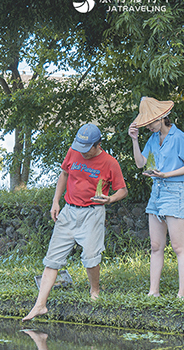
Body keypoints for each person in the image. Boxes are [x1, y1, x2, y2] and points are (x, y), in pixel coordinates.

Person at [23, 123, 128, 321]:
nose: (82, 152)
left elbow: (122, 190)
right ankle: (40, 305)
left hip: (93, 213)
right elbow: (64, 174)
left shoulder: (110, 163)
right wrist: (56, 201)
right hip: (69, 211)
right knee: (52, 259)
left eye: (86, 149)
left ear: (97, 145)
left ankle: (94, 291)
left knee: (91, 256)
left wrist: (111, 199)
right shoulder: (73, 151)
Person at [128, 97, 184, 298]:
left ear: (162, 117)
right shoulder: (152, 138)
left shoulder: (178, 137)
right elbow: (141, 163)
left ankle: (182, 294)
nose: (148, 126)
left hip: (174, 191)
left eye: (151, 122)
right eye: (146, 123)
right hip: (156, 193)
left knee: (178, 246)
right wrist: (134, 139)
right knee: (156, 246)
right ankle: (153, 292)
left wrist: (166, 174)